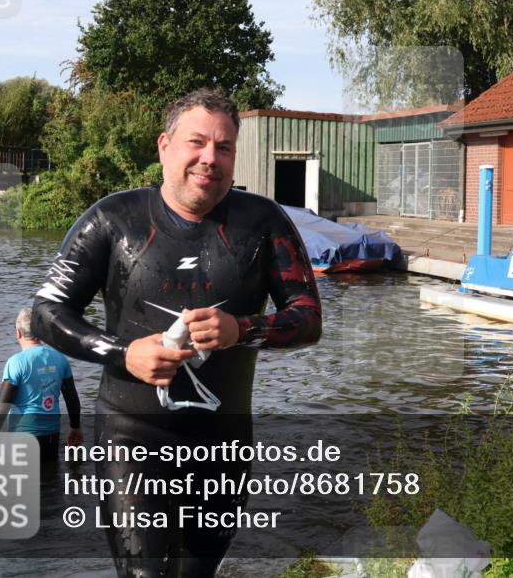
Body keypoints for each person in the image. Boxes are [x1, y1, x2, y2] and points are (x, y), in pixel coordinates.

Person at [31, 87, 322, 577]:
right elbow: (45, 312)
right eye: (197, 142)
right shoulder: (112, 220)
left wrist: (241, 329)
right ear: (165, 146)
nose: (210, 158)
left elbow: (308, 317)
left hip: (223, 442)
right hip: (130, 433)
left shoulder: (263, 223)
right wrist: (123, 353)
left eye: (224, 147)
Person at [0, 309, 82, 461]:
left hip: (23, 436)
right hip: (52, 434)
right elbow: (72, 398)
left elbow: (2, 406)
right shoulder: (60, 358)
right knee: (50, 472)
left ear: (18, 333)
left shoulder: (17, 362)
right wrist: (75, 427)